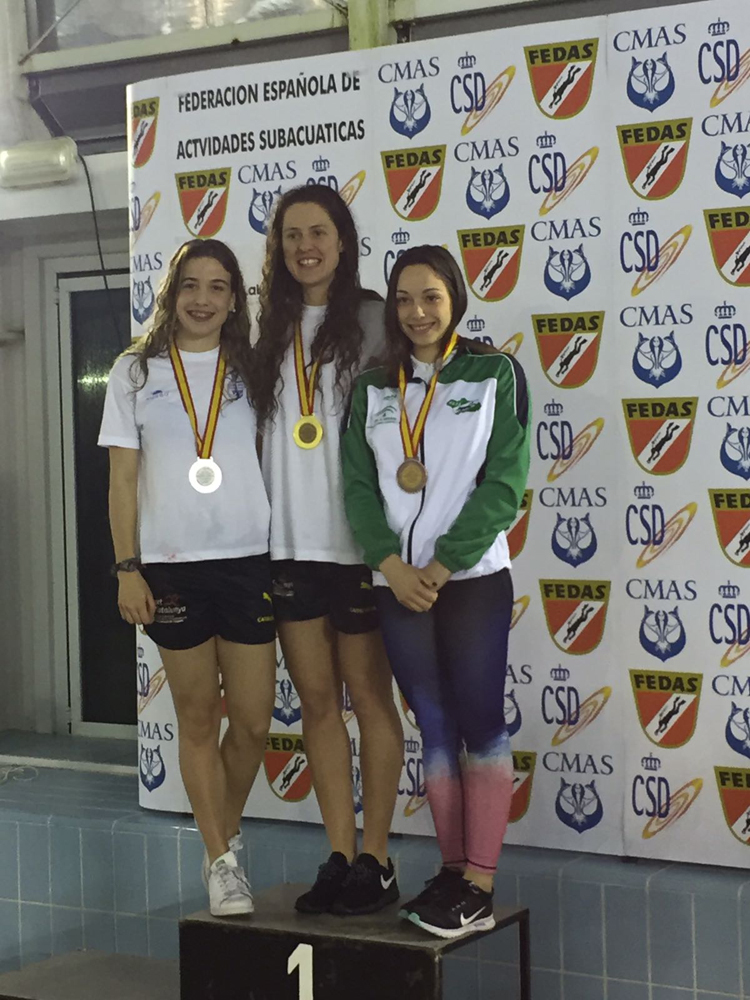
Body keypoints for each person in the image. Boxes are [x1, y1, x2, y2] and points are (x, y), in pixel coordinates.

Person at [341, 244, 531, 939]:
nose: (416, 312)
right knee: (434, 726)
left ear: (455, 299)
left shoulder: (495, 373)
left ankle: (480, 882)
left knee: (480, 721)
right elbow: (358, 489)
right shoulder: (371, 388)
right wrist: (391, 566)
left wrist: (443, 564)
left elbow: (505, 484)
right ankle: (452, 871)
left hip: (470, 580)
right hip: (398, 584)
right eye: (403, 299)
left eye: (431, 297)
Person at [98, 239, 276, 918]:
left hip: (248, 559)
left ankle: (217, 838)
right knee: (198, 720)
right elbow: (122, 479)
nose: (202, 299)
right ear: (171, 294)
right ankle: (224, 862)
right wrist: (127, 568)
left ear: (234, 300)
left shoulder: (253, 368)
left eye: (218, 287)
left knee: (253, 722)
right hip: (171, 567)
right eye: (190, 285)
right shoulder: (134, 372)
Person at [252, 184, 404, 916]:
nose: (305, 247)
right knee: (317, 704)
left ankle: (379, 857)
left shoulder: (376, 319)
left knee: (369, 697)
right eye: (291, 236)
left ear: (343, 241)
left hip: (358, 544)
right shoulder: (265, 330)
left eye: (318, 233)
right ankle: (340, 855)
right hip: (287, 543)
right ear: (278, 249)